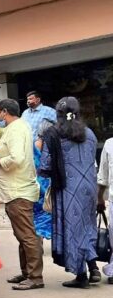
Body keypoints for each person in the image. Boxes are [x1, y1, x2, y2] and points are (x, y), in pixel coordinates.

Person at [38, 96, 99, 288]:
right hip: (89, 187)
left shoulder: (53, 133)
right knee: (86, 226)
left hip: (67, 188)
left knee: (72, 229)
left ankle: (81, 276)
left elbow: (46, 165)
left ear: (58, 114)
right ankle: (94, 266)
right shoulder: (89, 133)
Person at [0, 98, 43, 290]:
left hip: (18, 190)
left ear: (4, 112)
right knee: (23, 234)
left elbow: (16, 159)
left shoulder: (16, 128)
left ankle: (35, 277)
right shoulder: (17, 127)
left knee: (28, 235)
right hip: (17, 189)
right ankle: (27, 273)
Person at [32, 120, 53, 242]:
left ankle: (38, 241)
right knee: (46, 213)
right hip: (42, 185)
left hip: (39, 185)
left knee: (40, 215)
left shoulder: (35, 145)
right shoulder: (47, 146)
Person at [97, 135, 113, 283]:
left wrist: (100, 197)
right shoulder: (108, 144)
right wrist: (100, 197)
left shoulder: (109, 144)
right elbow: (103, 176)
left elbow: (103, 177)